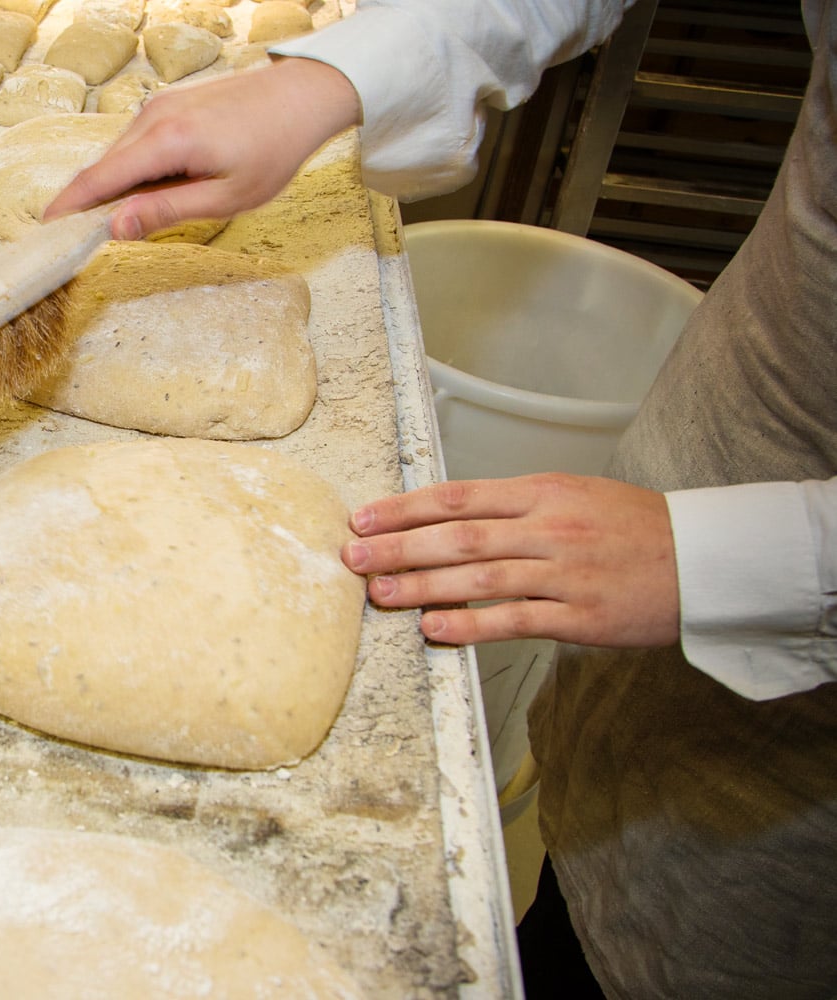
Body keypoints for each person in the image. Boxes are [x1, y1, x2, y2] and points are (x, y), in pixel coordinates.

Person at [46, 1, 837, 997]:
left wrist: (761, 563)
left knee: (708, 939)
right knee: (582, 864)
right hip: (743, 407)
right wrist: (335, 78)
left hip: (796, 746)